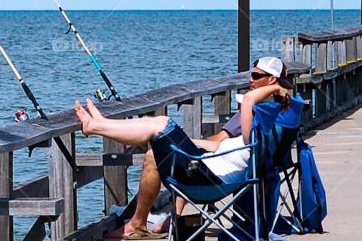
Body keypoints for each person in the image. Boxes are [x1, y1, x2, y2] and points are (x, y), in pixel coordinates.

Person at [104, 56, 288, 238]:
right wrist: (188, 143)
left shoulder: (255, 115)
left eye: (255, 75)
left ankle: (143, 221)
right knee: (163, 148)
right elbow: (220, 143)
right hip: (227, 174)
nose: (250, 79)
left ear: (271, 80)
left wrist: (187, 145)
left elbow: (223, 137)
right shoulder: (281, 118)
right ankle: (153, 220)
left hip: (212, 183)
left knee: (160, 141)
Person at [74, 79, 290, 186]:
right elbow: (216, 145)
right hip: (207, 168)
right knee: (160, 127)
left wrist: (277, 88)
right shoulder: (264, 137)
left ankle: (95, 126)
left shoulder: (252, 135)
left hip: (206, 178)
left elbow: (250, 100)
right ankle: (101, 124)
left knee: (161, 124)